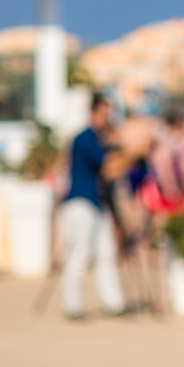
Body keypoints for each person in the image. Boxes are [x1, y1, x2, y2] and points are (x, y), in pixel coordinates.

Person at [57, 93, 151, 319]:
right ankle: (72, 304)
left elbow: (115, 166)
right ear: (95, 111)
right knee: (79, 253)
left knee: (107, 252)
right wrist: (132, 154)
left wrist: (128, 154)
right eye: (106, 112)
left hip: (99, 203)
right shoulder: (85, 138)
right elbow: (108, 169)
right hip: (81, 202)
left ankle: (113, 302)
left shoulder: (102, 139)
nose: (109, 117)